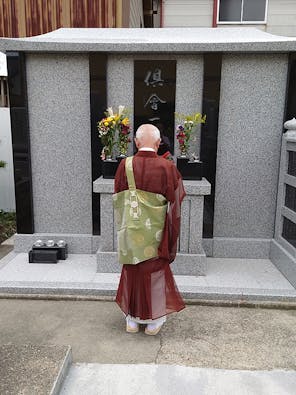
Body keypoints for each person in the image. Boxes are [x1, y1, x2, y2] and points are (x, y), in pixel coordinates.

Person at [114, 124, 186, 335]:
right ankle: (153, 322)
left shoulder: (124, 165)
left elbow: (118, 195)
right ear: (158, 143)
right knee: (154, 269)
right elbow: (176, 199)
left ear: (136, 142)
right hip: (156, 229)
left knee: (133, 268)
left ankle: (132, 320)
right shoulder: (167, 167)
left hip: (132, 227)